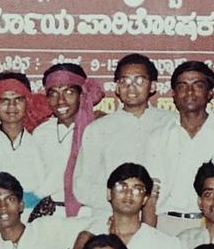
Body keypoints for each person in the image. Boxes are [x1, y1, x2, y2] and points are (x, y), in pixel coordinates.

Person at [145, 61, 214, 235]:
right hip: (167, 225)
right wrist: (148, 234)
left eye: (197, 85)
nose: (189, 92)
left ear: (210, 93)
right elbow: (150, 194)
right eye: (182, 86)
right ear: (174, 95)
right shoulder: (158, 136)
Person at [74, 54, 177, 215]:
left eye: (140, 81)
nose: (131, 87)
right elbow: (83, 185)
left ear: (152, 86)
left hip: (159, 215)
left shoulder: (171, 123)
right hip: (108, 216)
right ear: (116, 87)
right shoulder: (98, 128)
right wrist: (122, 204)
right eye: (125, 81)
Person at [78, 162, 183, 249]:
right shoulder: (90, 239)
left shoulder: (166, 244)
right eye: (121, 187)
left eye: (137, 189)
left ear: (145, 198)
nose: (128, 194)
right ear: (109, 194)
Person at [31, 63, 104, 217]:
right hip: (50, 215)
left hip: (89, 215)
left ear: (82, 94)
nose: (61, 101)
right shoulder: (41, 133)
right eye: (53, 94)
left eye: (69, 92)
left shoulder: (98, 129)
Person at [0, 72, 53, 210]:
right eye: (4, 100)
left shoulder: (43, 137)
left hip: (38, 215)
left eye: (18, 100)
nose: (12, 106)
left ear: (27, 103)